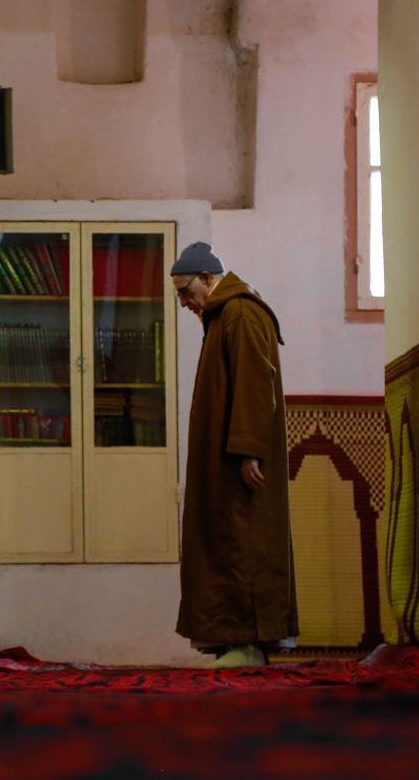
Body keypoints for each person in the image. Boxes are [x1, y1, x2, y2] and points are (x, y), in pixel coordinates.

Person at [170, 241, 298, 668]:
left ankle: (247, 644)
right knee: (227, 544)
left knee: (243, 543)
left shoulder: (240, 313)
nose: (184, 303)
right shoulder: (224, 314)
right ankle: (235, 642)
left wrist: (248, 451)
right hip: (228, 458)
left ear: (208, 278)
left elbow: (254, 385)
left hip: (240, 460)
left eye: (186, 292)